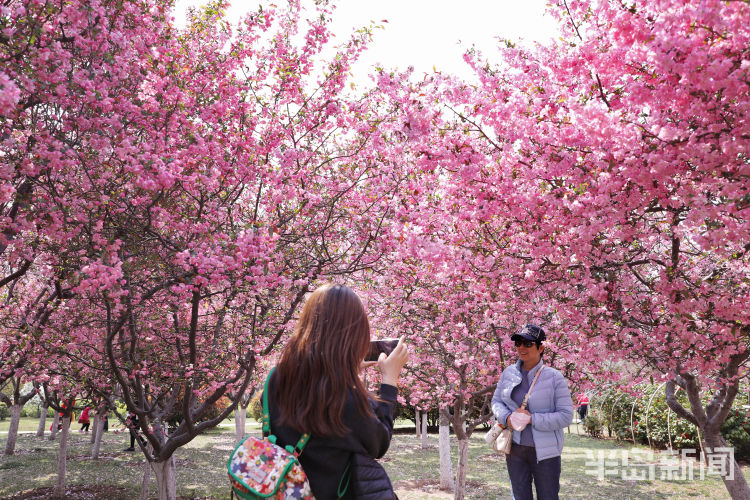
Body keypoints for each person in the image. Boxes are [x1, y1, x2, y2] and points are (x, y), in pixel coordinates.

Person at [266, 284, 408, 499]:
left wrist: (343, 370)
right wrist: (389, 381)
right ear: (353, 334)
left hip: (283, 490)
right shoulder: (343, 397)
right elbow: (379, 443)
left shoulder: (277, 376)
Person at [492, 324, 574, 500]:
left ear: (541, 347)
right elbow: (496, 402)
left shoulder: (554, 377)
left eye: (528, 343)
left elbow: (566, 416)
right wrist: (507, 417)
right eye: (518, 343)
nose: (522, 347)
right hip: (514, 449)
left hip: (545, 453)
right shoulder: (509, 373)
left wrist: (532, 419)